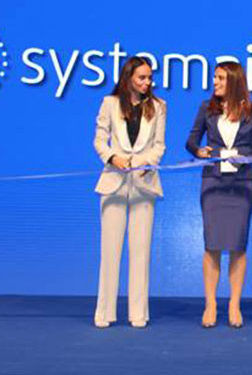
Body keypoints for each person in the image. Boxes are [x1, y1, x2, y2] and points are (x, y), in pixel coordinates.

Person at [186, 62, 252, 329]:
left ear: (234, 81)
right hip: (213, 184)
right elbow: (191, 141)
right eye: (215, 77)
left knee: (238, 247)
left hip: (241, 185)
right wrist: (198, 151)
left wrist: (237, 156)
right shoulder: (206, 108)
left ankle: (234, 304)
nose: (215, 82)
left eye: (220, 78)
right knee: (212, 245)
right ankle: (210, 304)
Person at [93, 56, 166, 328]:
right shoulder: (109, 103)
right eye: (142, 78)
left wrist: (147, 163)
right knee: (109, 251)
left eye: (149, 78)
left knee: (141, 252)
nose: (147, 83)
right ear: (128, 78)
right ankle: (104, 313)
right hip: (113, 183)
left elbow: (159, 146)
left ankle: (138, 313)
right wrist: (113, 158)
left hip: (144, 185)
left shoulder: (159, 106)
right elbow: (100, 140)